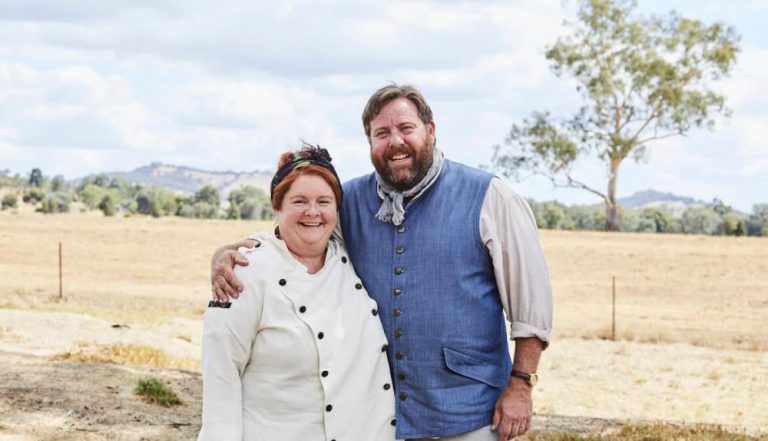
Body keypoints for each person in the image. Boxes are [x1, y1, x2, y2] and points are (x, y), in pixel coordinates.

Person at [211, 84, 553, 441]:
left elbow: (532, 303)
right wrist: (226, 254)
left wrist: (522, 384)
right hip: (382, 419)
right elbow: (296, 238)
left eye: (406, 129)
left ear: (430, 131)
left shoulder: (490, 197)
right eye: (382, 133)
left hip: (475, 415)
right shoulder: (348, 202)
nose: (396, 142)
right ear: (370, 143)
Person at [199, 145, 396, 441]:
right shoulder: (244, 273)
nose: (313, 212)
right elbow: (221, 375)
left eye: (324, 201)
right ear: (277, 207)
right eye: (299, 201)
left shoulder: (352, 258)